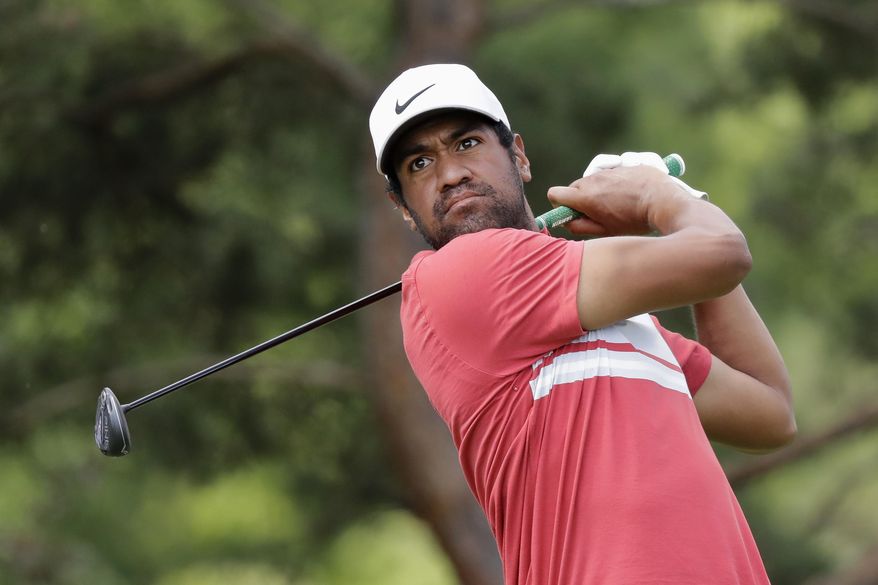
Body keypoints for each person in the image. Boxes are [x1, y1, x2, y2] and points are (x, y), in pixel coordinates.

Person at [368, 63, 795, 585]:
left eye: (466, 143)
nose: (450, 174)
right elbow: (723, 252)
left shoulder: (626, 326)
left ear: (518, 155)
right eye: (419, 164)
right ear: (403, 208)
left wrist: (680, 211)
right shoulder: (460, 274)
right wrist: (663, 199)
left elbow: (769, 411)